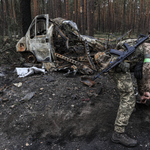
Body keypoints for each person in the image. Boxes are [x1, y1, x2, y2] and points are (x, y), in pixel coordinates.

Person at [95, 38, 150, 147]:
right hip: (117, 65)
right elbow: (146, 71)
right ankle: (118, 134)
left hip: (120, 62)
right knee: (128, 97)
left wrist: (142, 92)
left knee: (130, 92)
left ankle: (131, 107)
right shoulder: (149, 49)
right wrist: (146, 92)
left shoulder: (142, 43)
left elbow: (140, 73)